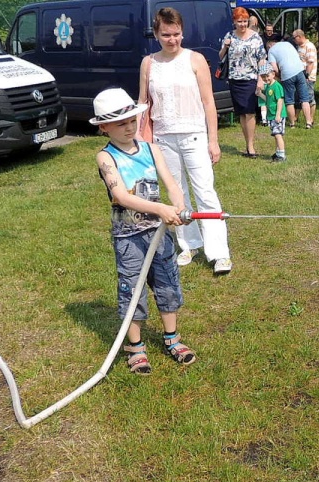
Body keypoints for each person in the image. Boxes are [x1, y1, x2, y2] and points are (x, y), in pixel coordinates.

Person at [91, 87, 197, 375]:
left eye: (131, 121)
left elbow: (171, 183)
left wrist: (178, 206)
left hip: (159, 233)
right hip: (129, 238)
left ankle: (172, 338)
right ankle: (135, 347)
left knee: (167, 284)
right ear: (104, 127)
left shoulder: (151, 149)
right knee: (132, 290)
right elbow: (121, 197)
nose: (128, 128)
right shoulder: (105, 158)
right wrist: (161, 209)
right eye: (119, 124)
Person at [138, 7, 232, 275]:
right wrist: (140, 139)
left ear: (182, 32)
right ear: (156, 34)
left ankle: (219, 253)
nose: (172, 40)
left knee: (205, 193)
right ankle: (188, 244)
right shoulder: (148, 63)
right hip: (163, 139)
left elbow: (208, 102)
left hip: (194, 135)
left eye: (176, 34)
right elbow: (143, 103)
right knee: (177, 194)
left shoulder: (196, 59)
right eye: (166, 35)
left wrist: (213, 140)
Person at [220, 7, 266, 158]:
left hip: (251, 79)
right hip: (235, 80)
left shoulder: (256, 38)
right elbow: (221, 57)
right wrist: (226, 46)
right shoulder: (229, 36)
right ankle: (247, 144)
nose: (242, 24)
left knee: (250, 112)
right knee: (241, 112)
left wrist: (261, 78)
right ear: (234, 22)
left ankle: (251, 146)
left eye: (245, 21)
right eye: (239, 21)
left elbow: (262, 59)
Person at [266, 34, 314, 128]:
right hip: (300, 71)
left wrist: (280, 76)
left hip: (287, 74)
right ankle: (308, 122)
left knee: (289, 101)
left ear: (269, 45)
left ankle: (292, 123)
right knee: (304, 98)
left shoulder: (271, 51)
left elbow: (274, 68)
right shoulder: (288, 44)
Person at [256, 63, 287, 162]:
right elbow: (268, 100)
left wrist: (278, 114)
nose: (266, 79)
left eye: (267, 76)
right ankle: (278, 153)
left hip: (277, 115)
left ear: (273, 74)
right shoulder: (268, 87)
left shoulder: (276, 86)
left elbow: (280, 100)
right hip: (271, 115)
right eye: (263, 77)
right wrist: (260, 94)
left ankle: (282, 155)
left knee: (278, 134)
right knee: (275, 134)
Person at [292, 29, 317, 128]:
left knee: (309, 98)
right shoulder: (299, 47)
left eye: (294, 38)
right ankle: (296, 117)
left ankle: (310, 119)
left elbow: (310, 62)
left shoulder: (309, 46)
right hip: (300, 76)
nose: (294, 40)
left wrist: (307, 76)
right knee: (298, 97)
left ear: (299, 36)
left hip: (308, 77)